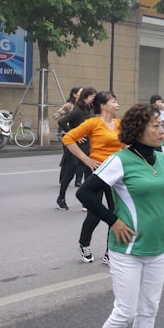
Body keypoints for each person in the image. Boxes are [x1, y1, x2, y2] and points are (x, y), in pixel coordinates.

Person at [79, 104, 164, 328]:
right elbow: (85, 192)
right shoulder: (120, 160)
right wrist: (112, 221)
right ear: (139, 130)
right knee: (125, 311)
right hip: (126, 250)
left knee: (149, 309)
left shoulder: (162, 159)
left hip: (157, 249)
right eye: (155, 126)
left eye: (162, 125)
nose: (162, 130)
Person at [63, 92, 123, 264]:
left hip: (116, 174)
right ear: (103, 106)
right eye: (113, 101)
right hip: (97, 172)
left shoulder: (120, 124)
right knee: (95, 213)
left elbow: (127, 145)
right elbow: (68, 139)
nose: (117, 105)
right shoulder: (92, 123)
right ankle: (84, 244)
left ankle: (109, 251)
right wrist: (86, 159)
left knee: (116, 212)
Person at [56, 87, 97, 210]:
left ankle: (86, 201)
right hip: (75, 147)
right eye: (92, 97)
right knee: (70, 174)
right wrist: (74, 134)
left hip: (88, 147)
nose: (93, 99)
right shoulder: (77, 110)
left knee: (89, 174)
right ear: (85, 98)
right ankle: (61, 198)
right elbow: (62, 122)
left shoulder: (92, 111)